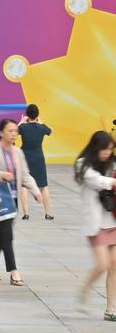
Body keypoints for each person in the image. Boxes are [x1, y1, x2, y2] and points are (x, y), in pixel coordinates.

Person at [0, 119, 41, 287]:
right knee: (7, 233)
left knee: (3, 234)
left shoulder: (18, 152)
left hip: (13, 199)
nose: (14, 134)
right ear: (1, 133)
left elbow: (25, 175)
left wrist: (35, 191)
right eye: (10, 131)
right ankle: (14, 271)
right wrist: (1, 175)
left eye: (15, 131)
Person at [74, 131, 116, 322]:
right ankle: (85, 289)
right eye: (104, 149)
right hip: (96, 223)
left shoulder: (112, 163)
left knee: (114, 265)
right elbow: (96, 181)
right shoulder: (83, 164)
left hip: (112, 220)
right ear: (95, 147)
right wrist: (113, 181)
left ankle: (110, 308)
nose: (107, 153)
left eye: (110, 149)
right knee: (102, 264)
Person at [18, 104, 54, 220]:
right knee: (43, 185)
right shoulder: (42, 128)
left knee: (24, 185)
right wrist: (41, 122)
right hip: (38, 157)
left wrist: (21, 121)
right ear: (37, 115)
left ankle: (26, 213)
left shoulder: (23, 127)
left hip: (25, 157)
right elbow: (51, 131)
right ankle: (48, 213)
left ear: (27, 115)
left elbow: (14, 131)